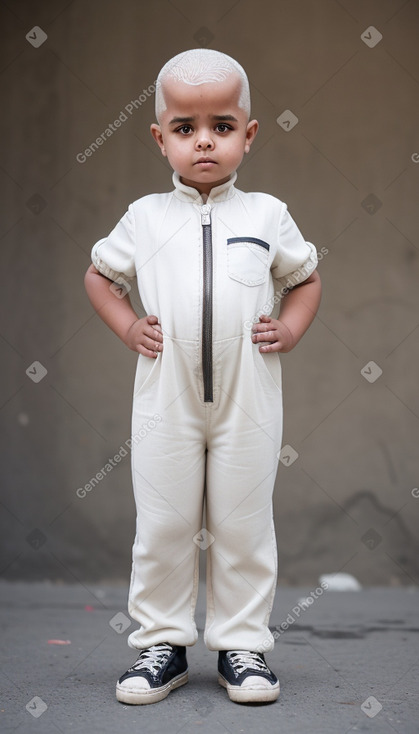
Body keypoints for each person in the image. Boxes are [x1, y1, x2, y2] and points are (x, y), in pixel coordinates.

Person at [84, 48, 322, 706]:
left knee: (243, 523)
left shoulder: (267, 214)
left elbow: (303, 280)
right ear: (160, 139)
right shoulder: (144, 217)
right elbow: (100, 277)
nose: (204, 141)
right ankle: (161, 643)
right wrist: (130, 326)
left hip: (248, 402)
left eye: (221, 125)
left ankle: (241, 645)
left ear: (247, 135)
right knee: (161, 524)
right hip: (166, 402)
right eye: (185, 128)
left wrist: (292, 329)